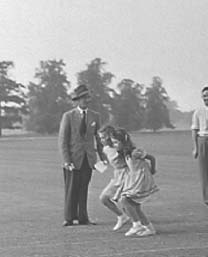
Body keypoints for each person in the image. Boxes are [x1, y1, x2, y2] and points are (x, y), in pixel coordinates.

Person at [58, 84, 103, 226]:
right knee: (71, 189)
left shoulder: (95, 116)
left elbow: (99, 139)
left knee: (84, 189)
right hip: (72, 159)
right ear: (77, 100)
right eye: (82, 98)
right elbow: (63, 141)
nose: (85, 100)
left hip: (88, 159)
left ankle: (83, 218)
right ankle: (69, 218)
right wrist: (67, 160)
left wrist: (103, 158)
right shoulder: (68, 116)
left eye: (86, 98)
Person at [110, 129, 159, 237]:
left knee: (125, 200)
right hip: (134, 179)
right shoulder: (125, 153)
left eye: (116, 142)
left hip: (141, 179)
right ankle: (149, 228)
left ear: (124, 142)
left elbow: (151, 158)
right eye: (113, 143)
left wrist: (152, 169)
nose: (114, 145)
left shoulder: (134, 152)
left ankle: (136, 224)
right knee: (135, 205)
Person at [98, 125, 131, 231]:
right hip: (117, 176)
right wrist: (100, 164)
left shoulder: (120, 148)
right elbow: (110, 161)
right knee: (104, 198)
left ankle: (140, 224)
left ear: (110, 137)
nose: (101, 140)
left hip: (127, 175)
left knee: (127, 201)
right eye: (100, 138)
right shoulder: (106, 149)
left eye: (103, 137)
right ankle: (122, 216)